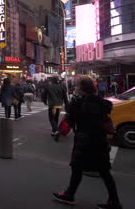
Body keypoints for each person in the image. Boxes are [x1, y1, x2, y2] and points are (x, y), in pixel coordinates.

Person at [53, 77, 123, 209]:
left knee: (77, 167)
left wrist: (73, 101)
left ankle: (69, 194)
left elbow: (71, 120)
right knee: (104, 171)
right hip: (99, 140)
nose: (76, 88)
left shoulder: (79, 103)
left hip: (84, 140)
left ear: (82, 88)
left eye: (77, 86)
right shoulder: (102, 102)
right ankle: (114, 200)